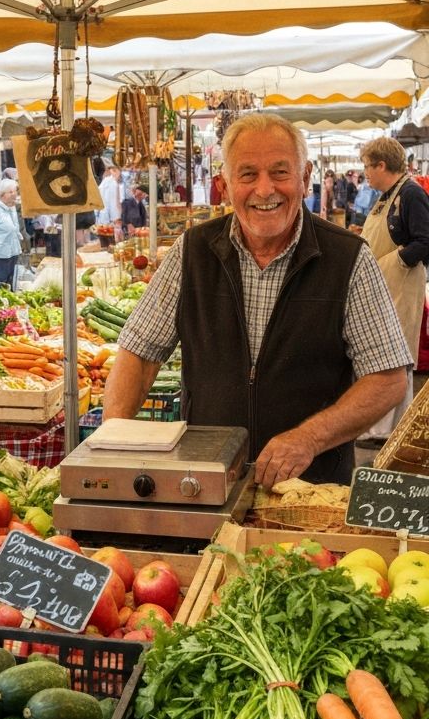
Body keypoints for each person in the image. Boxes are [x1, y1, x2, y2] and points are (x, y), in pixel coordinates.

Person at [102, 113, 410, 489]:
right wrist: (112, 443)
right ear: (225, 185)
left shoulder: (349, 258)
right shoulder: (191, 252)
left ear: (305, 177)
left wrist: (309, 438)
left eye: (280, 172)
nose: (265, 190)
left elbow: (387, 378)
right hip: (206, 483)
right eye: (248, 174)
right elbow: (139, 354)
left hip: (310, 489)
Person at [358, 136, 429, 444]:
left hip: (402, 285)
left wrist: (395, 261)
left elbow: (424, 241)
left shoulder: (411, 194)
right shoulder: (388, 195)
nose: (365, 173)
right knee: (381, 355)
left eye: (367, 166)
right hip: (385, 287)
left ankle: (388, 428)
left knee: (395, 357)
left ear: (382, 165)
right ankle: (381, 425)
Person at [97, 164, 124, 240]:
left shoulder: (121, 182)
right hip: (109, 218)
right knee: (109, 239)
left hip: (117, 218)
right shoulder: (107, 182)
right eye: (112, 170)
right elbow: (106, 201)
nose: (114, 172)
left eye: (116, 170)